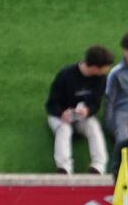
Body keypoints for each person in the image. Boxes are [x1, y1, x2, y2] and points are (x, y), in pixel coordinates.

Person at [46, 45, 113, 175]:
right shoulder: (65, 75)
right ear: (95, 67)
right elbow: (51, 104)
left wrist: (88, 111)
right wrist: (62, 113)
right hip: (59, 116)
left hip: (82, 116)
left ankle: (98, 167)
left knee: (93, 127)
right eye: (105, 67)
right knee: (64, 129)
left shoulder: (101, 79)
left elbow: (96, 103)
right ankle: (64, 168)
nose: (107, 70)